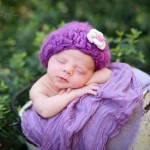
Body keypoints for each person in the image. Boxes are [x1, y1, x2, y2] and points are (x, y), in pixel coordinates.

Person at [29, 21, 112, 118]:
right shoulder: (40, 87)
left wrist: (82, 84)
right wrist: (74, 93)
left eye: (79, 70)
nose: (68, 70)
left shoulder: (83, 80)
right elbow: (45, 110)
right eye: (61, 61)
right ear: (48, 59)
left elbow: (108, 73)